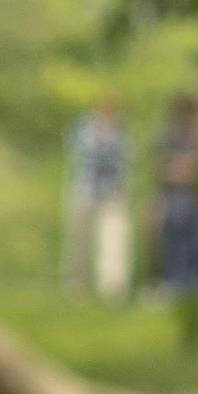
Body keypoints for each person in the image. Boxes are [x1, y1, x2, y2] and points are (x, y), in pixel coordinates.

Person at [63, 96, 132, 301]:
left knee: (113, 240)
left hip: (112, 192)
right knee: (78, 240)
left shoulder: (121, 135)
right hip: (83, 189)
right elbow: (79, 155)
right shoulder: (81, 130)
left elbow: (123, 162)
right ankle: (77, 285)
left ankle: (113, 288)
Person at [152, 94, 198, 295]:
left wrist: (182, 167)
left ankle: (193, 281)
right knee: (172, 227)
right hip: (173, 198)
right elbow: (161, 168)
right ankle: (172, 280)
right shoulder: (169, 136)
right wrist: (187, 168)